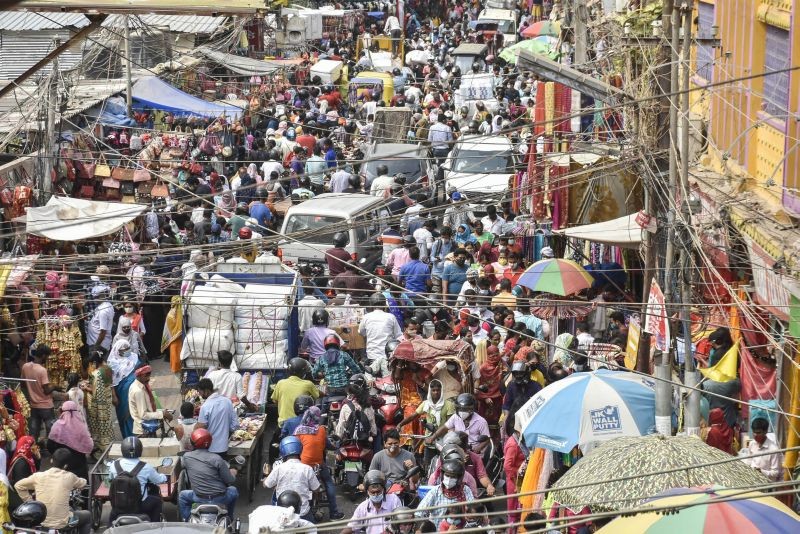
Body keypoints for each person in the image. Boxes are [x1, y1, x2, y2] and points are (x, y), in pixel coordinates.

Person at [15, 448, 91, 534]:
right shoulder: (70, 477)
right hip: (62, 524)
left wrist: (31, 502)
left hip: (41, 523)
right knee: (87, 516)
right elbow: (83, 482)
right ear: (66, 466)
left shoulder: (38, 476)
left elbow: (18, 485)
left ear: (51, 460)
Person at [293, 406, 344, 520]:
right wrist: (336, 447)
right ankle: (334, 513)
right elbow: (327, 445)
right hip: (318, 465)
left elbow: (295, 446)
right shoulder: (321, 429)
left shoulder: (298, 431)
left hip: (303, 465)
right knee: (328, 482)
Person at [178, 428, 239, 521]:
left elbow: (183, 466)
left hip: (198, 497)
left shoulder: (186, 457)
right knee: (233, 490)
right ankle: (230, 517)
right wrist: (233, 472)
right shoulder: (217, 459)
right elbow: (230, 480)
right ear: (210, 443)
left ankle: (187, 520)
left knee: (182, 495)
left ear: (192, 442)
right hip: (220, 498)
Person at [107, 436, 166, 523]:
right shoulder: (146, 467)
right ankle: (154, 527)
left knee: (112, 514)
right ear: (140, 450)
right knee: (157, 502)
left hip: (119, 506)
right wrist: (164, 477)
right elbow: (159, 480)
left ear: (122, 450)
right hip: (140, 505)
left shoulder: (114, 465)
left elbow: (110, 478)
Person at [397, 380, 455, 468]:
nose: (436, 392)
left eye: (438, 390)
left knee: (445, 466)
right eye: (433, 390)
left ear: (441, 391)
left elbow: (448, 424)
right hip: (429, 442)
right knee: (427, 467)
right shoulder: (425, 404)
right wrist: (400, 424)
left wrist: (434, 437)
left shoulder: (448, 405)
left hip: (443, 441)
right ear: (430, 391)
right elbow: (413, 416)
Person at [264, 437, 320, 522]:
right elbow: (316, 489)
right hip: (303, 513)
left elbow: (266, 485)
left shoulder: (278, 468)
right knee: (313, 529)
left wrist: (265, 477)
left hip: (282, 513)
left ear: (282, 451)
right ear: (300, 450)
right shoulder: (307, 469)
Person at [415, 459, 474, 529]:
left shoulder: (465, 490)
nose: (449, 479)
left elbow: (473, 512)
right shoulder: (435, 491)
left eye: (453, 477)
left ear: (459, 478)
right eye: (447, 475)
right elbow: (419, 514)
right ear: (443, 475)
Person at [341, 470, 402, 534]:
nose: (376, 495)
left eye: (378, 492)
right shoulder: (362, 507)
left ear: (383, 490)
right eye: (373, 492)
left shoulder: (394, 500)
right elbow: (351, 526)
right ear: (367, 492)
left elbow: (402, 522)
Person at [21, 344, 60, 443]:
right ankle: (52, 452)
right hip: (46, 406)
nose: (47, 358)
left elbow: (23, 384)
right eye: (47, 356)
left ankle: (34, 452)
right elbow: (46, 391)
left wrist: (32, 389)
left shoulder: (25, 366)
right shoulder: (42, 370)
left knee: (34, 432)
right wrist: (55, 386)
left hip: (33, 405)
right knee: (51, 432)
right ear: (43, 355)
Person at [47, 401, 93, 480]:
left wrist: (58, 454)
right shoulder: (81, 426)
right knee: (81, 487)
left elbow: (49, 445)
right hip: (80, 465)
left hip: (62, 465)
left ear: (62, 411)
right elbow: (89, 444)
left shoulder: (57, 425)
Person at [272, 358, 320, 428]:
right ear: (303, 372)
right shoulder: (308, 384)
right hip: (302, 423)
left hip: (283, 423)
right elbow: (317, 396)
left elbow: (274, 400)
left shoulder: (280, 383)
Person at [195, 378, 239, 455]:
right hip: (224, 447)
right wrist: (225, 432)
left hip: (210, 449)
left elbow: (201, 428)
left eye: (200, 392)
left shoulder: (205, 406)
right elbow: (235, 425)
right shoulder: (227, 401)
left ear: (206, 390)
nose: (200, 395)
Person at [85, 349, 115, 455]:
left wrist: (86, 388)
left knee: (99, 427)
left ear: (95, 362)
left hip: (99, 405)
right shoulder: (108, 368)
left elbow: (96, 392)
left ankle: (101, 452)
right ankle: (109, 446)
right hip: (107, 401)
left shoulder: (97, 374)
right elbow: (109, 385)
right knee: (108, 423)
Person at [128, 365, 173, 436]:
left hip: (148, 425)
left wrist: (162, 412)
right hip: (143, 429)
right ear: (139, 375)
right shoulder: (138, 391)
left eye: (149, 375)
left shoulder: (142, 385)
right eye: (146, 376)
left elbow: (149, 409)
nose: (148, 378)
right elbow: (143, 415)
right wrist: (162, 414)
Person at [107, 339, 138, 438]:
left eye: (128, 348)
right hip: (121, 395)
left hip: (136, 393)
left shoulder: (134, 357)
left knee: (137, 412)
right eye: (124, 350)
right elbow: (111, 382)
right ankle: (128, 436)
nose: (127, 351)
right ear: (118, 350)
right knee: (125, 415)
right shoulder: (112, 363)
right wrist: (114, 396)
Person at [359, 293, 402, 364]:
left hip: (372, 355)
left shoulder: (366, 317)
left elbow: (361, 332)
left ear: (371, 305)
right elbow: (398, 335)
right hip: (388, 355)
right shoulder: (391, 317)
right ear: (384, 304)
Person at [8, 436, 40, 511]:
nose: (36, 447)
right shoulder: (21, 464)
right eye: (33, 445)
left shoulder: (28, 457)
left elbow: (36, 468)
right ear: (27, 446)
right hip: (21, 497)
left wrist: (38, 458)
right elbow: (20, 485)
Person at [87, 285, 115, 352]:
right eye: (94, 297)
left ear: (102, 295)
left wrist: (96, 347)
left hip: (98, 345)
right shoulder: (107, 305)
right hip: (97, 343)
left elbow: (103, 331)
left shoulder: (103, 311)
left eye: (97, 297)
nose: (95, 299)